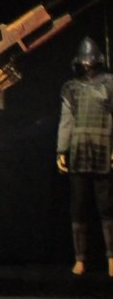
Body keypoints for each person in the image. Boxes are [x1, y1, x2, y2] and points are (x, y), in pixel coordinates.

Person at [56, 36, 113, 277]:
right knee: (78, 206)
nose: (87, 63)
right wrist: (61, 150)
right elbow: (66, 121)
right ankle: (80, 259)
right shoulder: (71, 87)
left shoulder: (110, 84)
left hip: (103, 146)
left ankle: (111, 258)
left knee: (106, 206)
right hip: (79, 149)